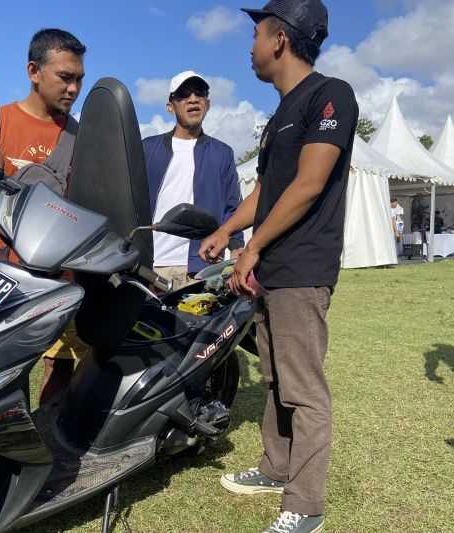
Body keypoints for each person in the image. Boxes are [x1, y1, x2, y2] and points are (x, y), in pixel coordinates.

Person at [199, 3, 358, 532]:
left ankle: (305, 506)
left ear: (280, 40)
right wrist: (226, 231)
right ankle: (275, 467)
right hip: (267, 266)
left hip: (301, 267)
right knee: (273, 378)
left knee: (303, 389)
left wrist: (253, 248)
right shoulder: (279, 115)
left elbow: (310, 184)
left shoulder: (331, 95)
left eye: (255, 34)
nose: (249, 47)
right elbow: (265, 189)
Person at [0, 28, 87, 403]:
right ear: (34, 71)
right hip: (5, 275)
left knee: (61, 366)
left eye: (79, 79)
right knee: (0, 372)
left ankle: (50, 440)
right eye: (65, 77)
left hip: (60, 278)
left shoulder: (81, 136)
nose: (74, 89)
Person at [142, 71, 243, 289]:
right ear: (170, 106)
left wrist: (236, 246)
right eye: (184, 94)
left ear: (208, 103)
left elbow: (233, 206)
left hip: (201, 267)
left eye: (200, 93)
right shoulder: (147, 148)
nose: (193, 99)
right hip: (150, 267)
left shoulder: (222, 153)